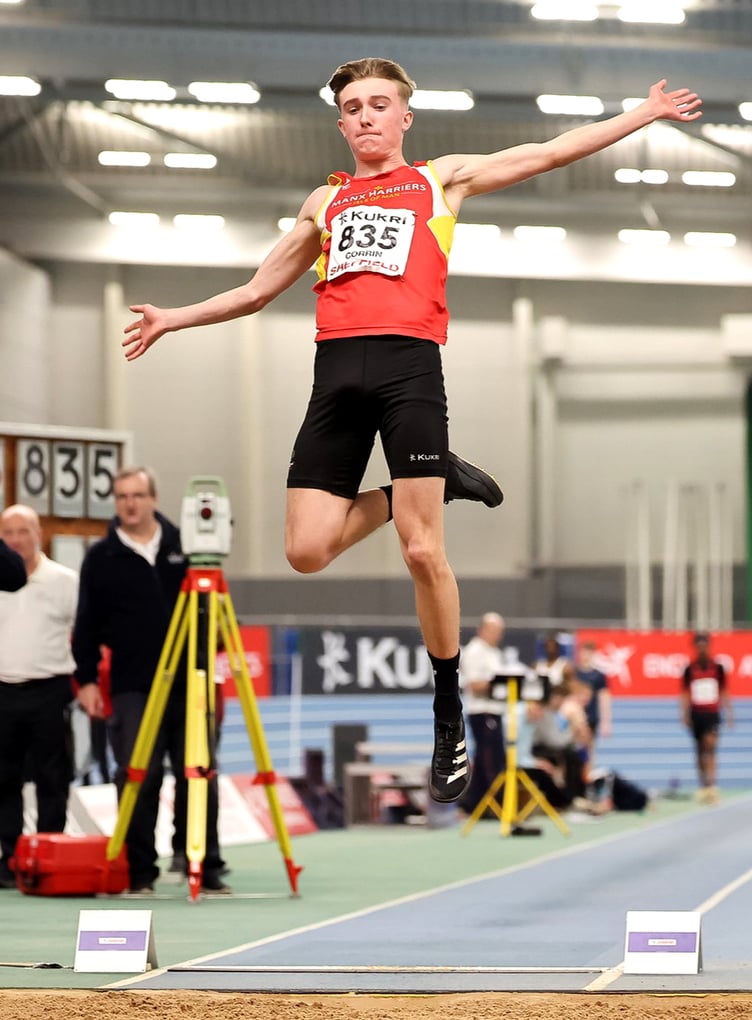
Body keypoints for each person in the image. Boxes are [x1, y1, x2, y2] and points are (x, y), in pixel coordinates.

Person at [120, 57, 702, 804]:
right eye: (353, 107)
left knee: (424, 550)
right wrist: (173, 318)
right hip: (335, 376)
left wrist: (641, 115)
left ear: (404, 117)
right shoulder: (322, 202)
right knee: (304, 550)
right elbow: (259, 289)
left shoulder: (439, 180)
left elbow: (547, 152)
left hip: (408, 372)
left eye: (378, 104)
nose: (365, 116)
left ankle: (448, 702)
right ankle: (420, 481)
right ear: (341, 123)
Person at [73, 466, 229, 894]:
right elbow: (85, 623)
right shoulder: (100, 559)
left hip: (191, 679)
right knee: (137, 775)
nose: (130, 503)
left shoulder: (190, 547)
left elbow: (214, 610)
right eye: (122, 496)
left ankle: (206, 863)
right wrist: (86, 679)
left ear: (154, 499)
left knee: (199, 771)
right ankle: (141, 871)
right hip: (133, 684)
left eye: (137, 495)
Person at [0, 505, 79, 889]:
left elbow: (83, 633)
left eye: (23, 531)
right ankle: (11, 857)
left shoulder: (65, 581)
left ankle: (50, 851)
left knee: (52, 777)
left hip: (49, 689)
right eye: (8, 532)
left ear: (39, 533)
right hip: (2, 690)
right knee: (4, 780)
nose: (16, 540)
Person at [458, 612, 507, 815]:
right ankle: (490, 804)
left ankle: (474, 803)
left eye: (500, 632)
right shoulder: (475, 651)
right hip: (482, 711)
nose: (498, 635)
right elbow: (474, 685)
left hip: (495, 710)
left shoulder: (494, 652)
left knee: (492, 757)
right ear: (483, 629)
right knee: (489, 760)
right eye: (494, 631)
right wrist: (500, 682)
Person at [680, 632, 733, 806]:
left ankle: (712, 785)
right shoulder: (690, 669)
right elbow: (685, 693)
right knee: (699, 750)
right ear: (695, 647)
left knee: (710, 747)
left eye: (705, 645)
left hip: (712, 713)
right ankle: (703, 785)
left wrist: (729, 712)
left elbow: (724, 691)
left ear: (708, 646)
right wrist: (684, 714)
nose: (702, 648)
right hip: (697, 713)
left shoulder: (717, 668)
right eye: (699, 645)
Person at [575, 640, 612, 750]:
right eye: (584, 652)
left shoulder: (598, 675)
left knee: (589, 747)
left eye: (589, 653)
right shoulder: (574, 673)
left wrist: (606, 722)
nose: (586, 655)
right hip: (575, 716)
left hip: (591, 716)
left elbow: (604, 697)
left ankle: (588, 766)